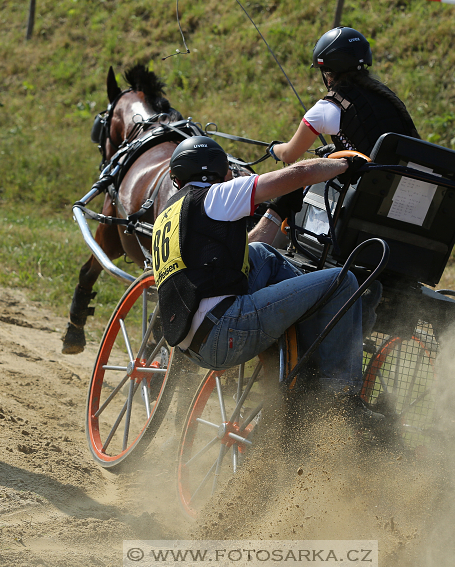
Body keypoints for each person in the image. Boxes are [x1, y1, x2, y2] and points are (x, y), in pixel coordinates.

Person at [152, 136, 382, 426]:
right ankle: (342, 399)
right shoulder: (216, 196)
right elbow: (298, 174)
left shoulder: (170, 213)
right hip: (226, 330)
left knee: (262, 254)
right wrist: (342, 164)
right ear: (224, 173)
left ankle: (317, 331)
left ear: (175, 178)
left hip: (192, 342)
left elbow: (239, 254)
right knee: (344, 282)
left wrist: (278, 209)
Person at [268, 26, 420, 165]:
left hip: (372, 191)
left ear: (328, 72)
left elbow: (288, 154)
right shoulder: (385, 96)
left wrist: (274, 149)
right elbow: (375, 139)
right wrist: (338, 148)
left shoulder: (328, 107)